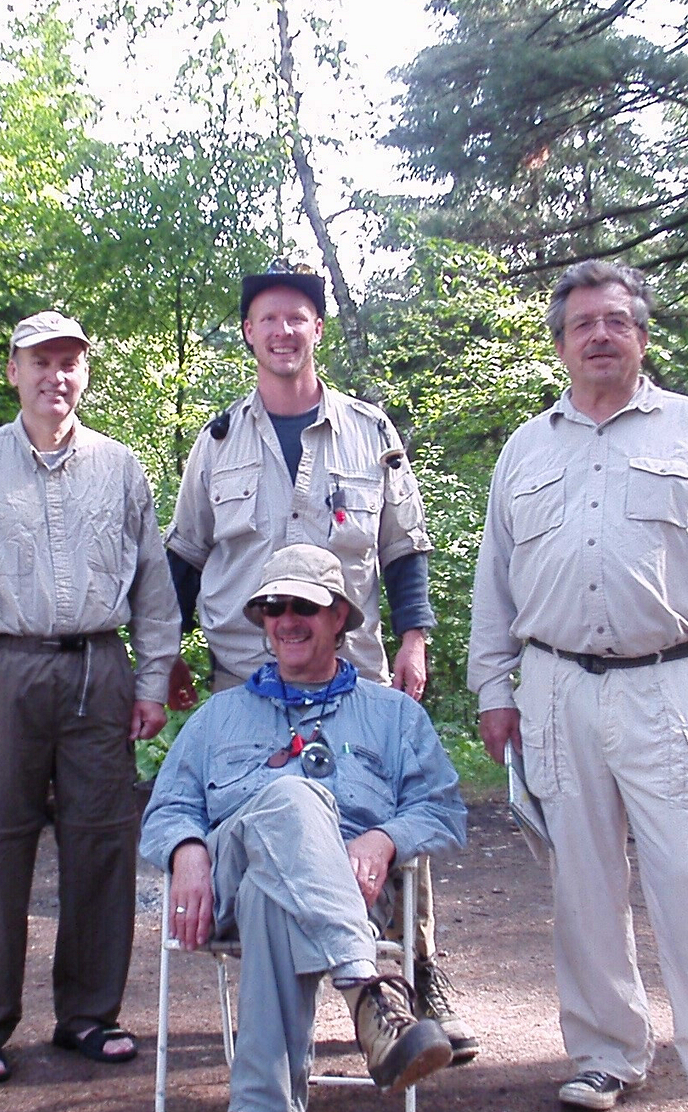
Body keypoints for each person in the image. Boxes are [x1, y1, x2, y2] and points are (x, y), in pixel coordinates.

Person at [467, 260, 688, 1112]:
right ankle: (606, 1051)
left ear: (642, 336)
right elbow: (493, 584)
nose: (600, 336)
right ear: (562, 345)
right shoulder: (526, 450)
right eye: (583, 325)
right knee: (581, 882)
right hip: (555, 687)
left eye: (616, 321)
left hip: (675, 684)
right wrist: (495, 689)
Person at [163, 259, 477, 1065]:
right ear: (247, 332)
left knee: (376, 805)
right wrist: (164, 655)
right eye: (266, 318)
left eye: (296, 317)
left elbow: (404, 548)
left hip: (354, 671)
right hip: (247, 674)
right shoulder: (219, 441)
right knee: (269, 818)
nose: (282, 331)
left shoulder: (370, 432)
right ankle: (357, 990)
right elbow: (186, 556)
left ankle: (416, 977)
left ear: (317, 330)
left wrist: (415, 636)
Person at [0, 309, 178, 1085]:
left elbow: (153, 587)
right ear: (13, 371)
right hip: (1, 672)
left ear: (84, 373)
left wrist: (153, 678)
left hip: (100, 670)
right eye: (40, 362)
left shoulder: (121, 467)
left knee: (103, 843)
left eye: (69, 362)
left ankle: (89, 1014)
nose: (55, 376)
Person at [142, 544, 466, 1112]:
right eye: (272, 607)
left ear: (339, 616)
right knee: (292, 799)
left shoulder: (393, 716)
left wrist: (384, 837)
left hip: (348, 888)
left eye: (304, 607)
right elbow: (169, 809)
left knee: (276, 896)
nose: (286, 620)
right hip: (232, 881)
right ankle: (367, 989)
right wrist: (187, 850)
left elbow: (442, 810)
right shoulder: (218, 717)